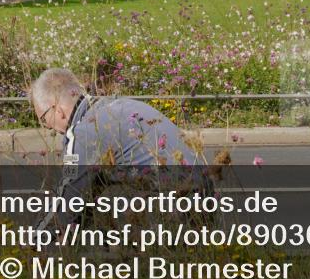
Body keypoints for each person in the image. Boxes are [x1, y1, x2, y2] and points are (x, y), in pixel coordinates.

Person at [29, 68, 199, 229]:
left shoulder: (84, 132)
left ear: (57, 109)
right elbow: (89, 191)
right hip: (201, 195)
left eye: (44, 119)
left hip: (177, 204)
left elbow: (70, 197)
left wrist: (34, 240)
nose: (48, 128)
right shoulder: (116, 105)